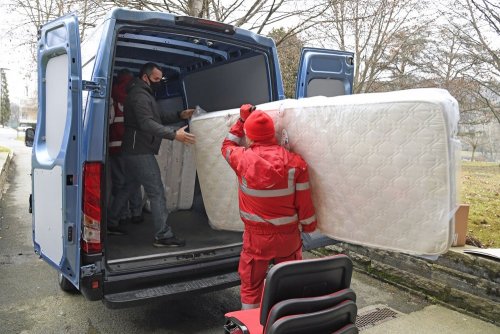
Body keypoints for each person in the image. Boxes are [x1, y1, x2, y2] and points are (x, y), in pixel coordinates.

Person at [221, 104, 317, 310]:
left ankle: (251, 327)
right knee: (289, 282)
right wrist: (309, 227)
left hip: (257, 240)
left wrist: (241, 120)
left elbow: (227, 145)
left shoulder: (241, 159)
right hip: (288, 237)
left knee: (251, 286)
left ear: (251, 137)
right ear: (271, 134)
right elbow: (305, 202)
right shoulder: (295, 163)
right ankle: (285, 323)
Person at [108, 62, 195, 247]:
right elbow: (147, 124)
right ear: (145, 77)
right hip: (138, 151)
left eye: (160, 79)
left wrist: (180, 114)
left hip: (134, 150)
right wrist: (174, 134)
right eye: (156, 79)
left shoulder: (145, 93)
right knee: (156, 191)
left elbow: (159, 118)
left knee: (129, 187)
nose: (159, 82)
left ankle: (111, 221)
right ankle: (163, 235)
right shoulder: (139, 96)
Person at [107, 69, 144, 234]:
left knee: (120, 183)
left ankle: (120, 216)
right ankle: (135, 213)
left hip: (115, 146)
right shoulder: (135, 95)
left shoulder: (112, 96)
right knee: (134, 181)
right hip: (133, 146)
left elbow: (108, 121)